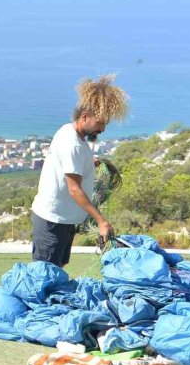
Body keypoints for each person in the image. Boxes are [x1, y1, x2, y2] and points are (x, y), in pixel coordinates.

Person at [30, 75, 129, 267]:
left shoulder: (72, 133)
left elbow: (71, 161)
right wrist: (101, 221)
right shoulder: (72, 143)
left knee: (57, 272)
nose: (102, 129)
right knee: (44, 276)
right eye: (100, 123)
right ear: (85, 117)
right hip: (53, 220)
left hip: (64, 220)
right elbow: (74, 189)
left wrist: (89, 162)